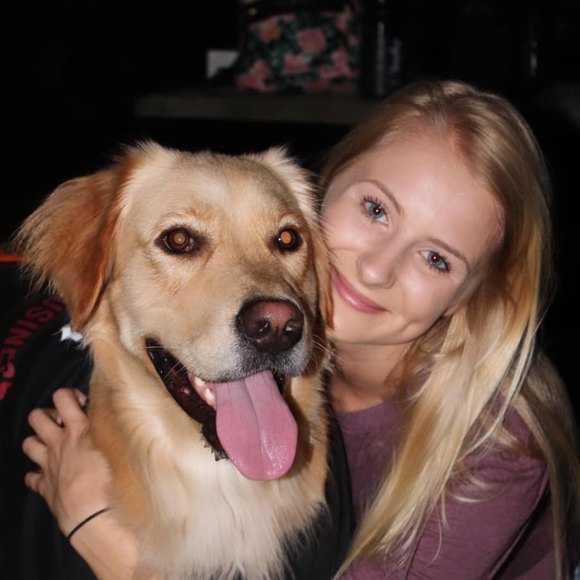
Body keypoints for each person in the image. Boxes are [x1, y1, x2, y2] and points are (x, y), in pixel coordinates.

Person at [17, 79, 580, 578]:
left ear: (470, 298)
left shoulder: (498, 452)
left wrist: (114, 552)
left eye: (437, 259)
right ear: (325, 191)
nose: (376, 269)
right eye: (376, 210)